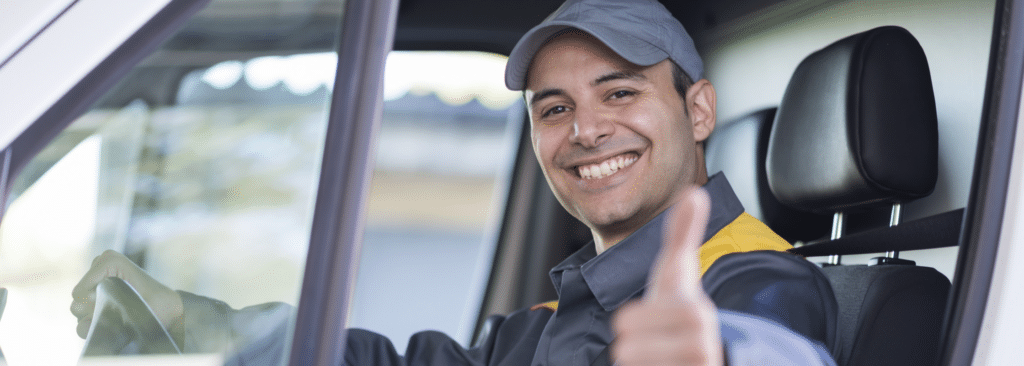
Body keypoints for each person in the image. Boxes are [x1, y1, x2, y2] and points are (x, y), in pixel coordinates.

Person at [71, 0, 839, 365]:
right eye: (554, 108)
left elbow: (770, 343)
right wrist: (196, 320)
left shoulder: (755, 277)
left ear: (697, 110)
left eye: (621, 92)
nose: (585, 130)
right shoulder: (548, 318)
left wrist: (718, 356)